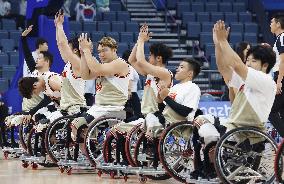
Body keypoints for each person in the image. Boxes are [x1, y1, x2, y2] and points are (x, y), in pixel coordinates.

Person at [192, 20, 277, 179]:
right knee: (201, 120)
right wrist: (217, 44)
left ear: (265, 65)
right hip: (234, 126)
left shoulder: (265, 81)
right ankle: (212, 166)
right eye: (248, 60)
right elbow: (224, 69)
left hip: (247, 131)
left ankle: (213, 168)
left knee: (207, 130)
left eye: (253, 61)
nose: (248, 64)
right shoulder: (247, 80)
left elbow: (237, 65)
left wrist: (224, 41)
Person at [70, 35, 130, 154]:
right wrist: (83, 54)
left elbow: (96, 70)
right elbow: (85, 75)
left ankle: (93, 155)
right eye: (99, 51)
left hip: (113, 107)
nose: (101, 54)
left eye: (105, 50)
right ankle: (92, 155)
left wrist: (87, 51)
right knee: (75, 126)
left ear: (114, 50)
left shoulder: (119, 63)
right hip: (99, 107)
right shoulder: (103, 66)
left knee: (79, 124)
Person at [269, 13, 284, 137]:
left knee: (271, 110)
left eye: (272, 22)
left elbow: (283, 61)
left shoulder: (282, 37)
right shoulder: (279, 39)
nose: (270, 25)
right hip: (280, 76)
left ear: (278, 24)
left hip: (281, 77)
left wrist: (279, 81)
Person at [122, 49, 142, 121]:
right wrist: (129, 90)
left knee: (130, 114)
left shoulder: (126, 67)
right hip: (131, 93)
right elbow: (129, 79)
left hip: (129, 92)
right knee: (138, 115)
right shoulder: (130, 67)